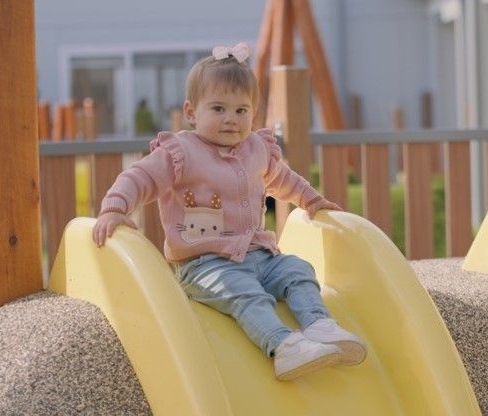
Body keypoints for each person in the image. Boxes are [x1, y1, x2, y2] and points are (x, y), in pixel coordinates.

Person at [92, 42, 366, 381]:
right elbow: (140, 177)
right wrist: (114, 208)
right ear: (191, 112)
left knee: (297, 270)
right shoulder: (181, 152)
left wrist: (310, 200)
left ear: (254, 113)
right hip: (203, 264)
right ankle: (283, 347)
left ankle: (319, 324)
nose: (231, 120)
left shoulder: (256, 149)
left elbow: (283, 180)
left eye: (241, 111)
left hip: (260, 254)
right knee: (246, 294)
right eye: (219, 108)